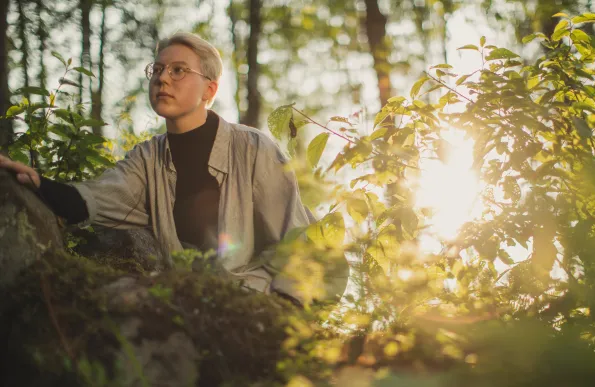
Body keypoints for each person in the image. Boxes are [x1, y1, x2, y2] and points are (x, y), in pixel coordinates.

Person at [0, 32, 348, 306]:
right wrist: (34, 181)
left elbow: (296, 235)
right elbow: (93, 200)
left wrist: (285, 307)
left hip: (266, 296)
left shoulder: (253, 147)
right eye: (158, 69)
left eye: (179, 70)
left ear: (209, 89)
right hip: (194, 300)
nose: (163, 78)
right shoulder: (147, 159)